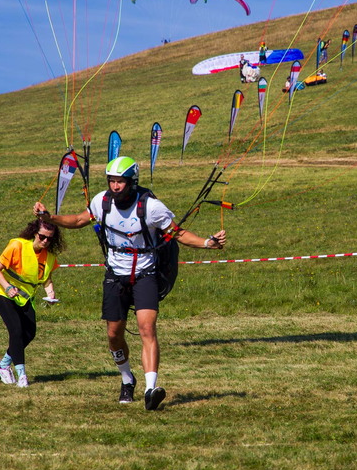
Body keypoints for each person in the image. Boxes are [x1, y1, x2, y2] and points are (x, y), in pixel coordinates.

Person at [33, 157, 226, 410]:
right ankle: (127, 378)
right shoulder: (101, 202)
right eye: (111, 181)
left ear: (132, 182)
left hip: (146, 275)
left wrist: (207, 243)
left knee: (147, 329)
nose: (115, 186)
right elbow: (80, 220)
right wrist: (51, 217)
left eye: (120, 181)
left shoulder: (152, 207)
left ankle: (150, 389)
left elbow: (177, 233)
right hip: (115, 276)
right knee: (114, 335)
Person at [0, 218, 64, 388]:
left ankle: (2, 366)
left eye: (49, 238)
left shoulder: (49, 257)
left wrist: (50, 293)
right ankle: (21, 375)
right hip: (2, 291)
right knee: (16, 330)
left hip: (24, 296)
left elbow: (46, 279)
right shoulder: (17, 246)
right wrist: (7, 287)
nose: (45, 241)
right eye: (42, 236)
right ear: (34, 233)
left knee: (29, 333)